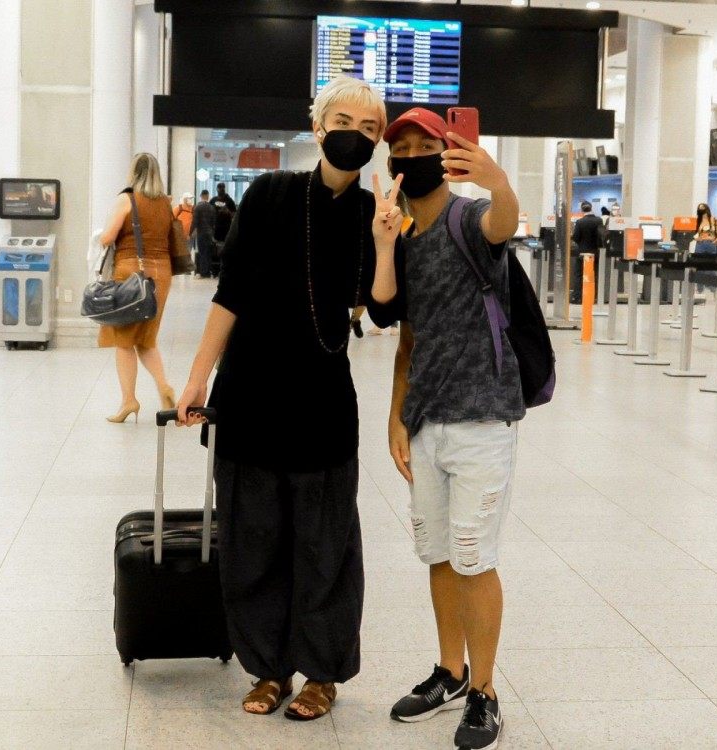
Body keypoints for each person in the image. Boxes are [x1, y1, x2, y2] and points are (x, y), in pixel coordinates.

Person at [174, 75, 398, 722]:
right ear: (319, 125)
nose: (356, 135)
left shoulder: (371, 216)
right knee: (253, 539)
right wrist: (197, 379)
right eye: (345, 121)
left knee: (326, 546)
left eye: (371, 129)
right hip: (249, 397)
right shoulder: (271, 194)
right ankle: (267, 668)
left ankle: (322, 674)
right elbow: (230, 295)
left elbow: (381, 312)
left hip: (324, 401)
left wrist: (387, 245)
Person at [369, 107, 522, 750]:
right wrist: (398, 414)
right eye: (398, 146)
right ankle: (450, 673)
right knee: (436, 554)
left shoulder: (468, 217)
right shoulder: (402, 236)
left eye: (422, 143)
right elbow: (403, 332)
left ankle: (485, 692)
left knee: (473, 558)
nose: (409, 154)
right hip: (427, 419)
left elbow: (503, 222)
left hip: (484, 417)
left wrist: (497, 179)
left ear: (446, 149)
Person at [97, 153, 178, 423]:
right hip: (162, 274)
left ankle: (129, 400)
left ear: (134, 172)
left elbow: (107, 237)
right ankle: (163, 384)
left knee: (123, 340)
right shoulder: (166, 204)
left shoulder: (127, 199)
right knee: (146, 338)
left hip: (131, 271)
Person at [192, 190, 217, 278]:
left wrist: (191, 232)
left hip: (201, 233)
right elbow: (214, 222)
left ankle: (203, 272)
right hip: (209, 233)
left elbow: (195, 221)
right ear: (207, 196)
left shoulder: (198, 207)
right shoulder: (211, 207)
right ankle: (208, 271)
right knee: (208, 252)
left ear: (201, 196)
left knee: (202, 252)